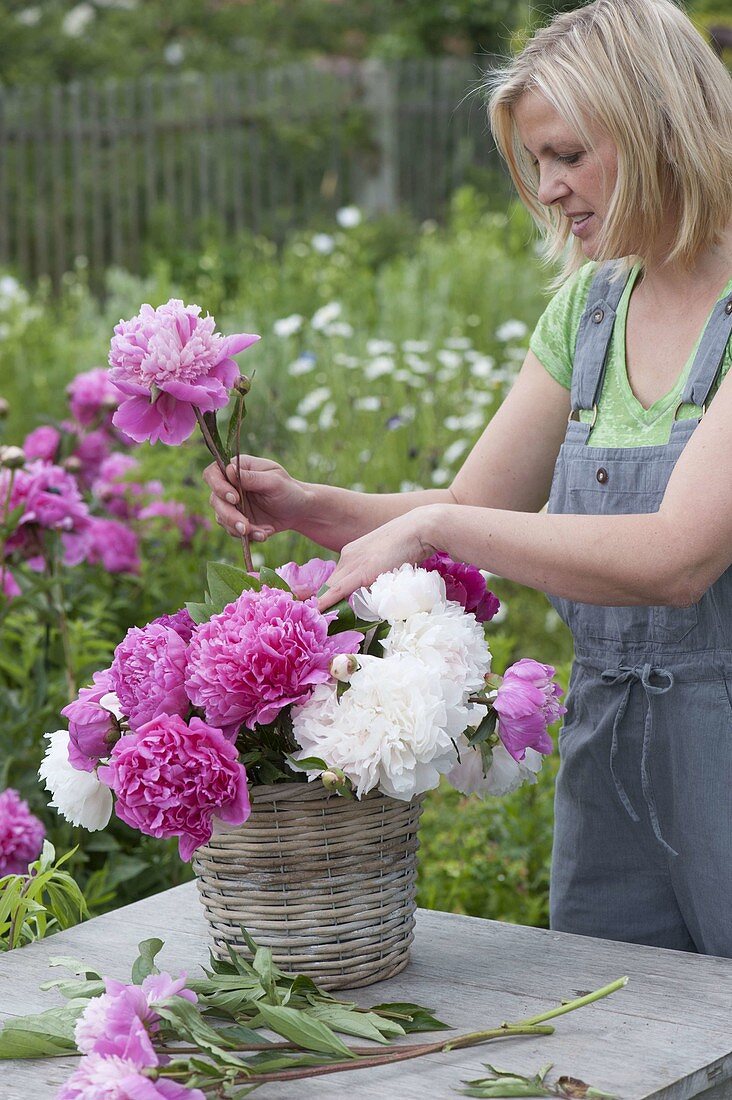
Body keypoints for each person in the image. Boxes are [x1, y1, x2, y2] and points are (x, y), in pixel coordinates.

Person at [206, 0, 732, 957]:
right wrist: (306, 506)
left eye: (570, 154)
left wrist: (436, 525)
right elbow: (478, 507)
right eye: (535, 164)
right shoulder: (592, 308)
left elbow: (676, 559)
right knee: (620, 1032)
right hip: (610, 753)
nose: (549, 189)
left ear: (661, 125)